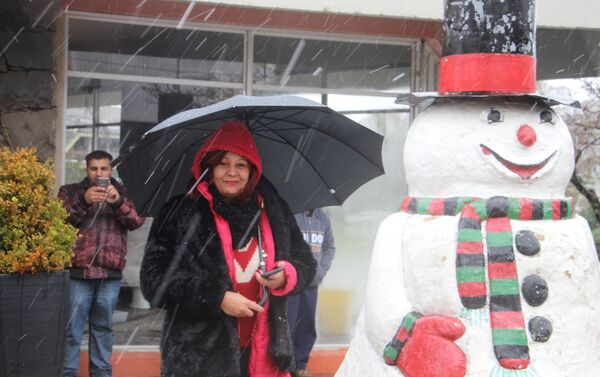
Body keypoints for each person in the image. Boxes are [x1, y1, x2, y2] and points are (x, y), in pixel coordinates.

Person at [140, 121, 317, 377]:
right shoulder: (181, 212)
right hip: (199, 360)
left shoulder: (273, 210)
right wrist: (216, 298)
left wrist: (287, 275)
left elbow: (307, 264)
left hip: (265, 355)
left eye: (241, 165)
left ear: (252, 170)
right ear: (209, 168)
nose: (232, 172)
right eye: (223, 163)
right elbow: (154, 282)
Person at [59, 150, 145, 377]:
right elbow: (59, 219)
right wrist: (83, 201)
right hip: (79, 272)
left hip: (110, 274)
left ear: (111, 170)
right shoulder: (70, 192)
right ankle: (67, 373)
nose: (99, 173)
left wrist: (117, 202)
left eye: (103, 169)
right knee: (71, 330)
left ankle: (101, 373)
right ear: (86, 170)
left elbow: (136, 221)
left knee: (103, 329)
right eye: (94, 169)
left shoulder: (122, 192)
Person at [288, 209, 336, 377]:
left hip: (312, 283)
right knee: (289, 323)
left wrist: (321, 270)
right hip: (292, 283)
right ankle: (286, 365)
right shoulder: (291, 216)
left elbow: (329, 247)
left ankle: (300, 365)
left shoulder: (323, 219)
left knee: (306, 324)